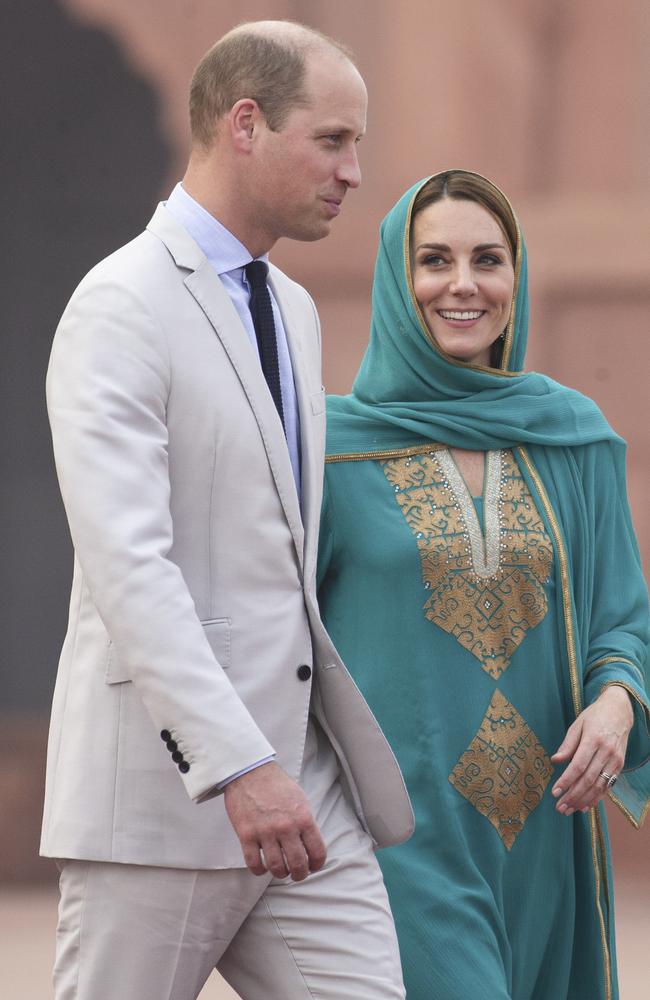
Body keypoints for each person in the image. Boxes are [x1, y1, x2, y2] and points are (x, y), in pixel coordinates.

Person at [41, 21, 413, 1000]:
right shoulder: (117, 305)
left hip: (308, 788)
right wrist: (235, 761)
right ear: (245, 123)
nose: (354, 171)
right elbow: (130, 566)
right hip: (162, 796)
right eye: (331, 140)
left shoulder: (290, 308)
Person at [318, 169, 650, 1000]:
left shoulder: (571, 440)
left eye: (488, 260)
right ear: (399, 283)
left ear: (516, 278)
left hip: (545, 834)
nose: (462, 285)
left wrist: (618, 703)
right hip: (395, 836)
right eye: (433, 261)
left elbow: (623, 621)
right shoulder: (325, 451)